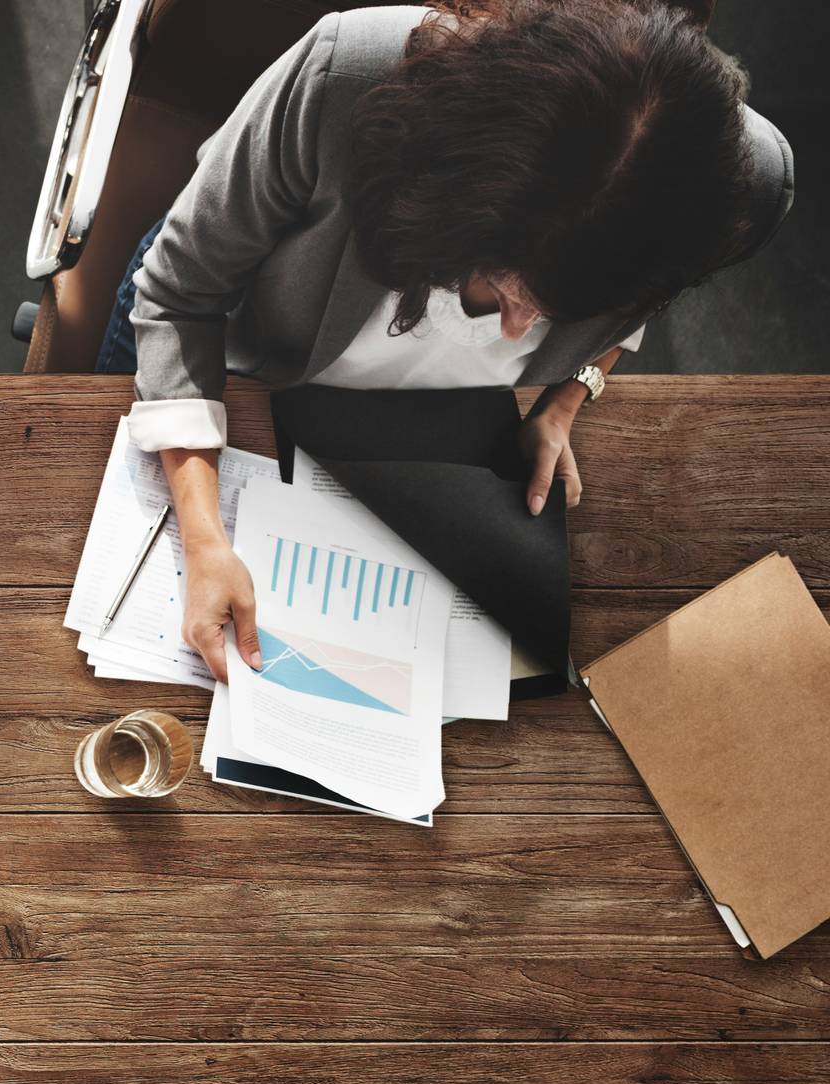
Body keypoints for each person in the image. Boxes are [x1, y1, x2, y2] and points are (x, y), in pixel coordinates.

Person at [100, 0, 794, 681]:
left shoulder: (742, 186)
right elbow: (179, 291)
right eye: (507, 287)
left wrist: (566, 398)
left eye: (554, 314)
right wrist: (204, 538)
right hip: (238, 358)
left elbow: (647, 298)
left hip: (422, 437)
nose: (515, 330)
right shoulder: (348, 77)